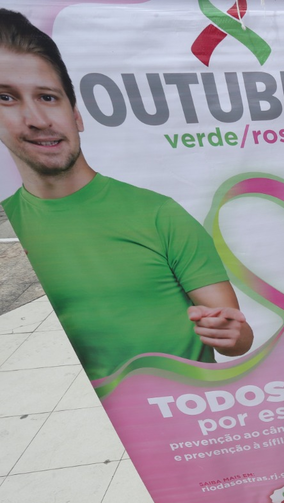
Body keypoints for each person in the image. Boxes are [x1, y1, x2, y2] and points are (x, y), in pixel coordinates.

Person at [0, 10, 253, 381]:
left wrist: (230, 333)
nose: (37, 119)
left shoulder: (159, 214)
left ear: (76, 114)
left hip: (183, 409)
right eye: (6, 97)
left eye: (48, 97)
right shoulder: (13, 225)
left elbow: (237, 338)